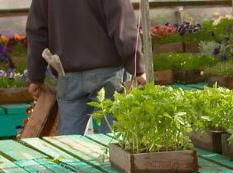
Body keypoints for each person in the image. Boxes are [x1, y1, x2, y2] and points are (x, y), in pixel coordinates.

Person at [25, 0, 147, 135]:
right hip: (109, 72)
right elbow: (122, 24)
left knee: (69, 142)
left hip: (69, 75)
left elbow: (37, 30)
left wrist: (36, 77)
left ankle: (69, 156)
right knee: (114, 139)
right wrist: (138, 67)